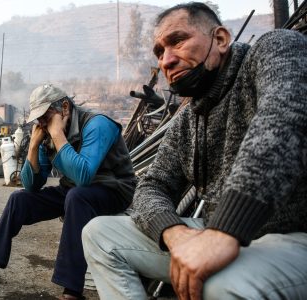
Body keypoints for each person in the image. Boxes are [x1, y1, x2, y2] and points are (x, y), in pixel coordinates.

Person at [82, 2, 307, 299]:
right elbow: (151, 185)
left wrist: (224, 231)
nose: (166, 60)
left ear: (221, 39)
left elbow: (285, 118)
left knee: (221, 285)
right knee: (99, 234)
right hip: (215, 234)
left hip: (293, 236)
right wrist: (173, 233)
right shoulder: (189, 118)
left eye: (177, 41)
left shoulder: (276, 48)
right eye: (160, 52)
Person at [0, 84, 137, 299]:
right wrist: (33, 146)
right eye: (38, 118)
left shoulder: (97, 124)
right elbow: (32, 185)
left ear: (65, 107)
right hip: (74, 191)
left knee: (76, 197)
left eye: (46, 116)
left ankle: (72, 292)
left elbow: (84, 175)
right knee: (19, 199)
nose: (42, 122)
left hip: (113, 190)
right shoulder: (47, 131)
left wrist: (58, 134)